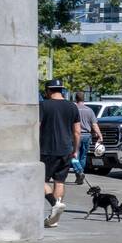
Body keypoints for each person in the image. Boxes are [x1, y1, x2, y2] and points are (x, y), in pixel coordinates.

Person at [39, 80, 80, 227]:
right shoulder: (72, 106)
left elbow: (37, 126)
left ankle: (54, 204)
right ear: (61, 90)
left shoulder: (43, 105)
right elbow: (77, 132)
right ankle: (54, 217)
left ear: (48, 90)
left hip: (46, 149)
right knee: (59, 181)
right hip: (66, 150)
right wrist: (75, 150)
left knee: (39, 180)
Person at [73, 91, 102, 185]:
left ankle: (79, 171)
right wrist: (100, 135)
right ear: (83, 99)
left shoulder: (73, 109)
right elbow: (94, 125)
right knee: (83, 156)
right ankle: (80, 175)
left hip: (75, 135)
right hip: (87, 135)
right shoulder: (89, 110)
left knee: (73, 155)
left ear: (75, 98)